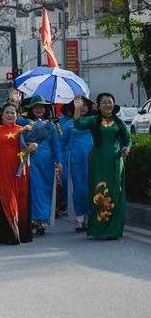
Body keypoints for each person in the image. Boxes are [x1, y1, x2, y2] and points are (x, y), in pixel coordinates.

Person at [72, 93, 131, 239]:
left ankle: (113, 230)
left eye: (110, 102)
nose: (107, 105)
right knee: (99, 191)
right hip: (98, 161)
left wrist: (127, 148)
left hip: (116, 162)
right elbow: (78, 125)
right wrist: (77, 109)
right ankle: (98, 229)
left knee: (115, 192)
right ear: (98, 106)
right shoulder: (93, 120)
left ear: (114, 104)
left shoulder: (118, 122)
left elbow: (127, 140)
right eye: (104, 103)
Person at [0, 103, 34, 244]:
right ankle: (13, 234)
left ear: (17, 115)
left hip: (21, 171)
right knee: (8, 199)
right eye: (7, 112)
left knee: (22, 199)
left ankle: (23, 233)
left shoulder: (23, 131)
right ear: (2, 115)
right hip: (4, 172)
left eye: (12, 113)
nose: (9, 115)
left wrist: (34, 146)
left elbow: (31, 148)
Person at [15, 94, 62, 235]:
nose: (39, 109)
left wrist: (59, 161)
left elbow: (56, 145)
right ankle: (38, 220)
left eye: (41, 107)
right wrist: (16, 103)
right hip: (31, 159)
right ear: (31, 109)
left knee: (46, 190)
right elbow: (13, 119)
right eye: (36, 107)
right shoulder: (25, 122)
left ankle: (42, 218)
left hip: (47, 161)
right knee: (35, 188)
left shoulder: (51, 126)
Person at [60, 98, 95, 232]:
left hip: (92, 158)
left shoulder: (93, 121)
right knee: (79, 188)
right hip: (76, 159)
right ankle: (79, 219)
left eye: (84, 105)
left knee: (91, 187)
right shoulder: (69, 124)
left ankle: (90, 218)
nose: (82, 107)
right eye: (78, 105)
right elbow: (62, 144)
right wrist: (59, 162)